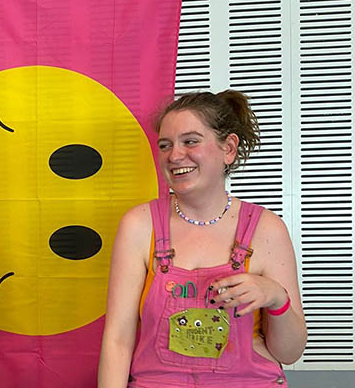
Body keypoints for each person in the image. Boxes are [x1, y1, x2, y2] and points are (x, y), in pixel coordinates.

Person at [98, 90, 307, 388]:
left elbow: (289, 353)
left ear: (229, 148)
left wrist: (276, 297)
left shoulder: (266, 229)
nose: (174, 155)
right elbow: (118, 340)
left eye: (191, 141)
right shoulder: (139, 226)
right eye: (165, 145)